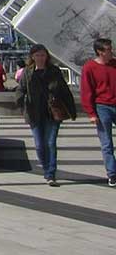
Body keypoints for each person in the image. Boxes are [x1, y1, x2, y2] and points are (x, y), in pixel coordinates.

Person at [14, 43, 76, 186]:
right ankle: (46, 167)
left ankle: (50, 174)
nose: (40, 58)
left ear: (47, 56)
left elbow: (64, 90)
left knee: (50, 143)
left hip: (52, 112)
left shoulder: (54, 71)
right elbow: (21, 89)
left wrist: (71, 110)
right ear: (32, 57)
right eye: (37, 55)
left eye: (43, 55)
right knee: (39, 145)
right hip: (34, 112)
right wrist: (19, 102)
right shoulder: (27, 72)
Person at [79, 37, 116, 187]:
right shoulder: (89, 67)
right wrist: (91, 113)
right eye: (108, 50)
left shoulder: (114, 64)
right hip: (102, 107)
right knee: (107, 142)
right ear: (100, 52)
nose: (111, 52)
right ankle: (112, 174)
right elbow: (86, 91)